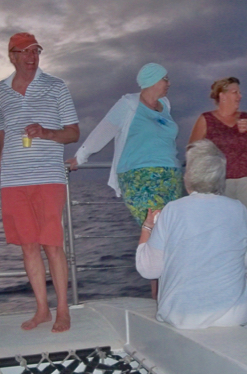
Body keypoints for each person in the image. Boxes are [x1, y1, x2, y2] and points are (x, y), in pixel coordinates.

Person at [66, 63, 182, 298]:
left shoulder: (166, 105)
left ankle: (169, 296)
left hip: (170, 177)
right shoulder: (129, 103)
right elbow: (104, 130)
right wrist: (81, 156)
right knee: (158, 234)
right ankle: (161, 298)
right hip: (140, 177)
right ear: (151, 80)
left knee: (172, 234)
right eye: (165, 79)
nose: (169, 83)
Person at [0, 32, 79, 333]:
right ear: (12, 56)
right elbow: (2, 127)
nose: (31, 57)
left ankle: (63, 310)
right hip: (13, 178)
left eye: (36, 51)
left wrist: (46, 133)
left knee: (52, 245)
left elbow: (73, 132)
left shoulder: (56, 86)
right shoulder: (1, 90)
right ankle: (42, 309)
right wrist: (2, 156)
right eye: (24, 52)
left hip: (47, 177)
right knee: (28, 246)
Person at [135, 139, 247, 332]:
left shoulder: (172, 210)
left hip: (182, 315)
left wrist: (147, 226)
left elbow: (148, 270)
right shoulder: (238, 209)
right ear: (220, 176)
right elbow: (245, 266)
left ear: (189, 176)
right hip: (235, 314)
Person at [188, 77, 247, 229]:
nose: (240, 96)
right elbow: (192, 150)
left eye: (240, 92)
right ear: (222, 96)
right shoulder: (206, 119)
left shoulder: (246, 117)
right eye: (235, 92)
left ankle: (245, 254)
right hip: (219, 182)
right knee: (221, 228)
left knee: (246, 229)